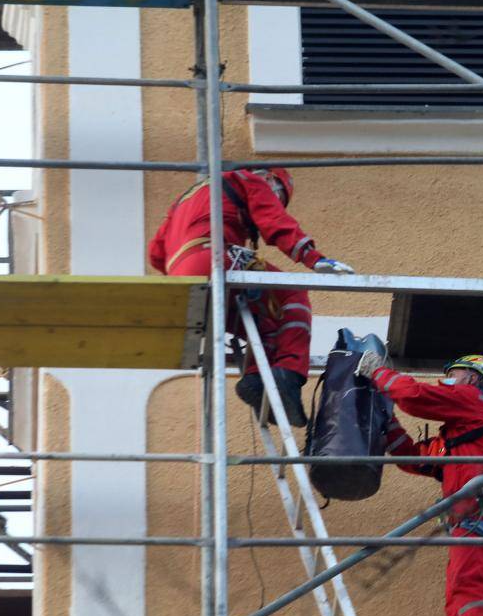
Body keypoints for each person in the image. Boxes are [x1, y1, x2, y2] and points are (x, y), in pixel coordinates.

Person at [147, 167, 353, 426]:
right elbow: (274, 221)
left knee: (265, 321)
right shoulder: (249, 179)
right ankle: (288, 373)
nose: (276, 201)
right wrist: (314, 258)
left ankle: (257, 379)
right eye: (278, 196)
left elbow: (155, 253)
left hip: (183, 276)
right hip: (214, 257)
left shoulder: (183, 200)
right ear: (269, 178)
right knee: (291, 292)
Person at [353, 352, 483, 616]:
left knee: (470, 586)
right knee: (458, 592)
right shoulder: (464, 434)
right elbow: (416, 458)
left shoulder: (473, 399)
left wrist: (379, 373)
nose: (447, 383)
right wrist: (388, 423)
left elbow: (414, 396)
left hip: (479, 514)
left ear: (472, 379)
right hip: (473, 517)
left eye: (453, 376)